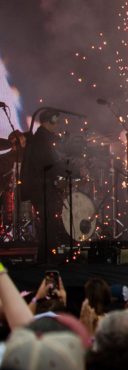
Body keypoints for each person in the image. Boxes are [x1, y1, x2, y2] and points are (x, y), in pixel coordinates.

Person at [20, 110, 66, 261]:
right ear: (48, 121)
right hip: (41, 188)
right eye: (56, 122)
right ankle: (46, 258)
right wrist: (68, 169)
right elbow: (48, 164)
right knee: (48, 222)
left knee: (48, 222)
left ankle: (45, 257)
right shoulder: (41, 140)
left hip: (40, 186)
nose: (58, 125)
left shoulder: (42, 138)